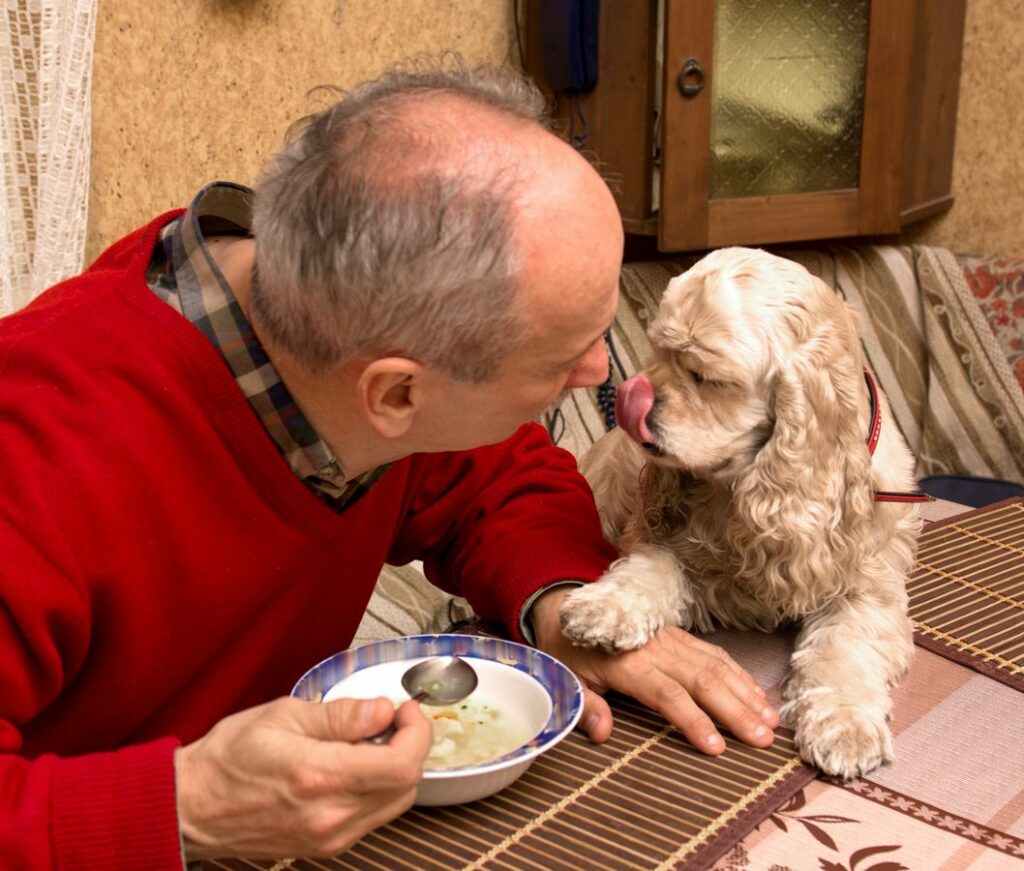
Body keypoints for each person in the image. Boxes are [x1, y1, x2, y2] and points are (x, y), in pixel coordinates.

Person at [0, 62, 777, 869]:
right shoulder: (33, 460)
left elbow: (497, 476)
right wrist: (185, 805)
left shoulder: (331, 333)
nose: (599, 374)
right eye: (564, 357)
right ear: (397, 394)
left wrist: (564, 600)